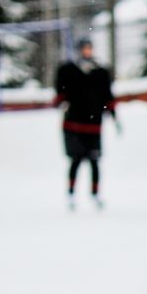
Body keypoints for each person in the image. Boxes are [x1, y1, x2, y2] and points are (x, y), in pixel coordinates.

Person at [53, 38, 117, 211]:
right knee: (76, 161)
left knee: (94, 161)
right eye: (84, 48)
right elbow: (60, 94)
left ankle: (95, 194)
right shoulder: (68, 70)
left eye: (89, 48)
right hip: (74, 124)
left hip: (94, 124)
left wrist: (114, 116)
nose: (87, 51)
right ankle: (71, 194)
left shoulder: (100, 72)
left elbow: (108, 97)